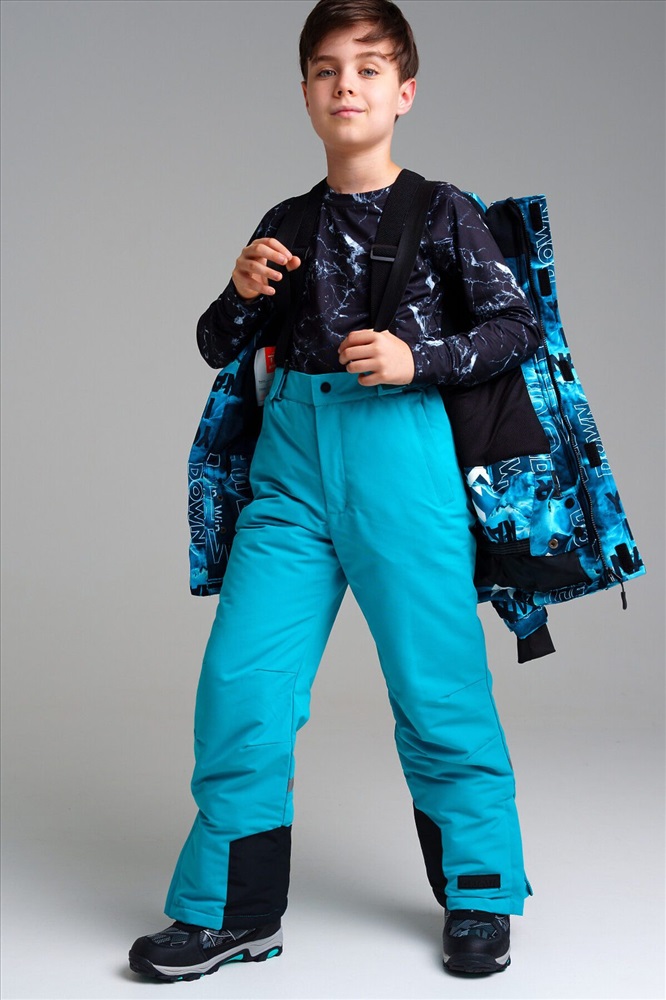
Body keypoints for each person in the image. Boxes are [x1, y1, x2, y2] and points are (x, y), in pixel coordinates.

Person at [129, 0, 541, 982]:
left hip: (402, 457)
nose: (345, 85)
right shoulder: (285, 222)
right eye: (325, 69)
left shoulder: (444, 212)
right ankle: (231, 913)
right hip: (292, 464)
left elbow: (516, 326)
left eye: (367, 69)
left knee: (437, 685)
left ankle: (482, 892)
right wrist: (238, 294)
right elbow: (216, 344)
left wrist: (417, 358)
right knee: (242, 684)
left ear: (404, 92)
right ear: (307, 92)